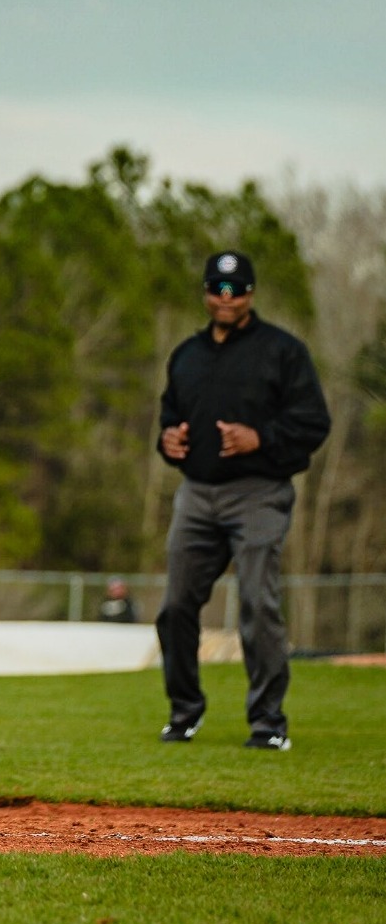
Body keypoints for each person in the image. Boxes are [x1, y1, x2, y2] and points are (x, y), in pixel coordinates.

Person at [153, 250, 330, 751]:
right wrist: (168, 441)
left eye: (235, 290)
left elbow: (315, 423)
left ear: (251, 293)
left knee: (257, 602)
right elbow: (169, 419)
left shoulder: (282, 352)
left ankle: (268, 723)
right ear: (206, 293)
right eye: (216, 289)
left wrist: (262, 438)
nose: (225, 299)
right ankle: (184, 712)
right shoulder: (186, 355)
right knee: (175, 607)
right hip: (197, 494)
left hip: (259, 492)